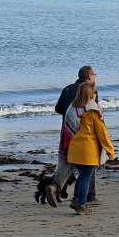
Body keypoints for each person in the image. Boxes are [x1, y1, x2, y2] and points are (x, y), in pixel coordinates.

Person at [49, 65, 100, 206]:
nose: (95, 77)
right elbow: (93, 113)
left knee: (66, 162)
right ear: (89, 76)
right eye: (94, 75)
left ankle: (55, 187)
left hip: (67, 131)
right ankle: (89, 195)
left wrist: (70, 114)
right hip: (84, 134)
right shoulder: (91, 90)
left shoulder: (67, 88)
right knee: (88, 167)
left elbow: (58, 108)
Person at [66, 82, 115, 215]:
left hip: (74, 148)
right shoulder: (94, 111)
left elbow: (67, 128)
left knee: (81, 176)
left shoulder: (72, 108)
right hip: (88, 149)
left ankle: (76, 200)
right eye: (95, 92)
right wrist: (111, 151)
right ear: (91, 95)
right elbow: (102, 133)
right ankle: (82, 205)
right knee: (85, 178)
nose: (96, 95)